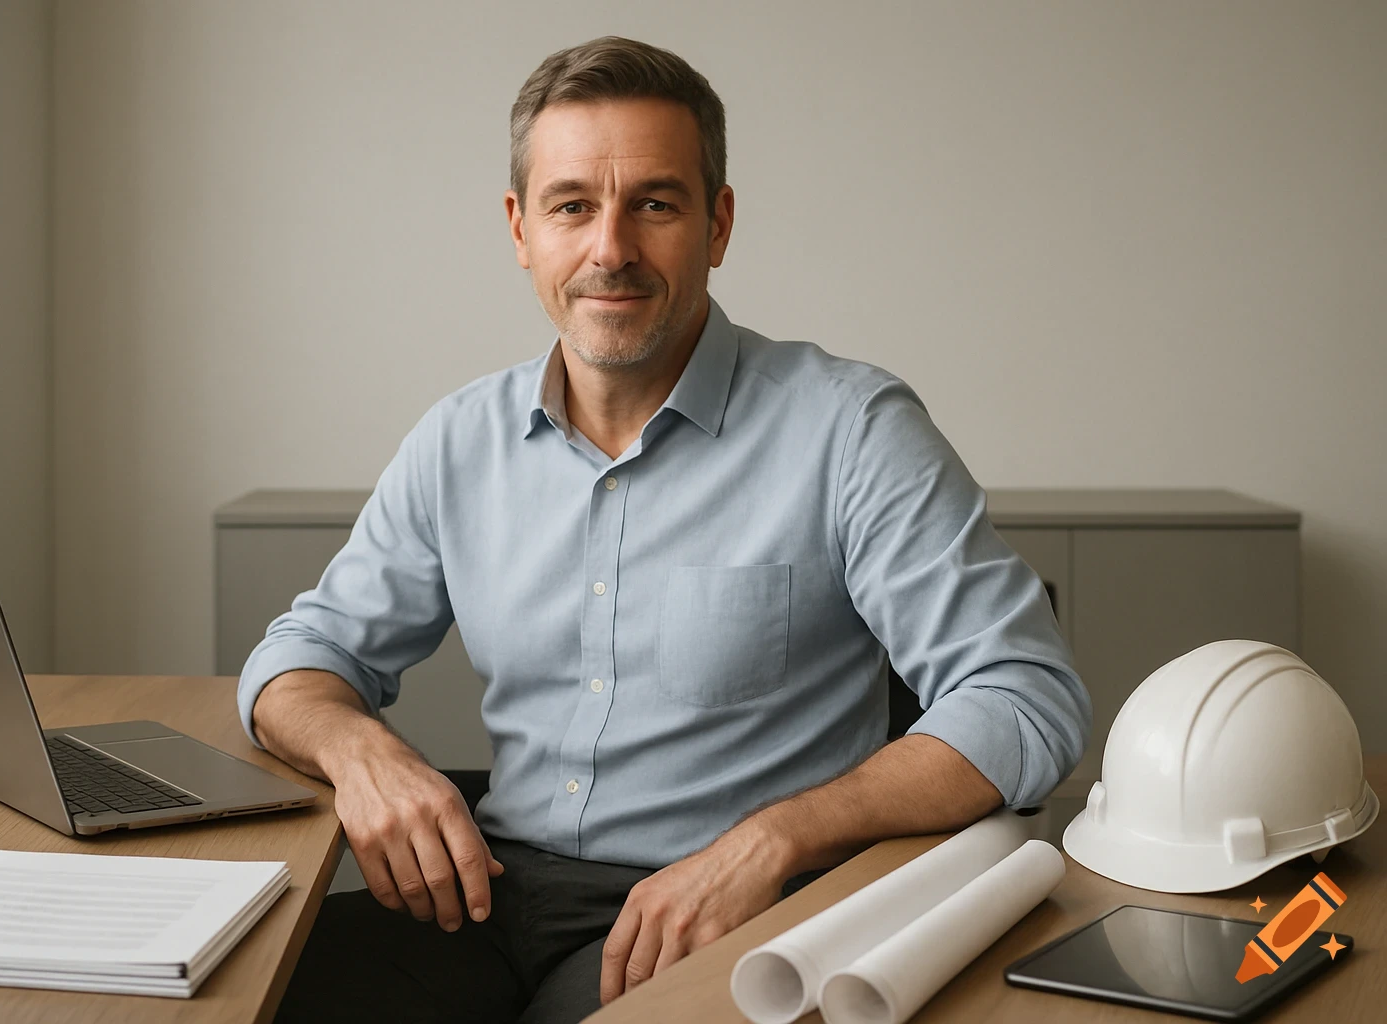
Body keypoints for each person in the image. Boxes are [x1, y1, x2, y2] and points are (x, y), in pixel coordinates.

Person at [240, 34, 1089, 1024]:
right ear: (521, 229)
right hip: (482, 899)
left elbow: (1026, 695)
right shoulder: (458, 441)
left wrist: (774, 840)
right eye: (571, 206)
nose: (611, 249)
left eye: (654, 203)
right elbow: (301, 657)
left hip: (719, 917)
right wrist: (363, 753)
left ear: (718, 223)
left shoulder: (849, 431)